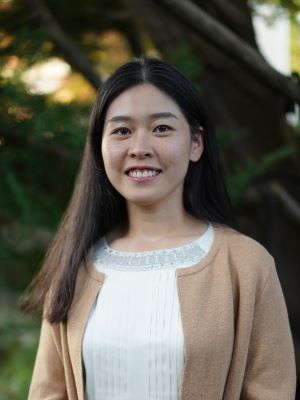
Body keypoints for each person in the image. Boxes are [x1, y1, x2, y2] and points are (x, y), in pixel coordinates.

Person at [23, 57, 296, 400]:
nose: (140, 149)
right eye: (122, 130)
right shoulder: (76, 264)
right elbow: (48, 393)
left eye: (162, 128)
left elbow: (272, 392)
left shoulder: (246, 265)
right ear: (99, 146)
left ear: (196, 143)